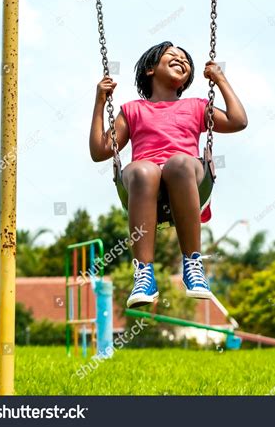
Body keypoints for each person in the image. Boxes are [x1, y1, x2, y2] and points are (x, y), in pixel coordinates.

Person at [89, 41, 247, 308]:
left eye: (185, 60)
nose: (181, 60)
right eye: (172, 56)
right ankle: (144, 273)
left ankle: (193, 265)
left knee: (179, 164)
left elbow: (238, 120)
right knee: (142, 169)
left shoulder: (197, 106)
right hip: (144, 183)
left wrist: (220, 79)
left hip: (188, 176)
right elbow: (100, 151)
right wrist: (99, 101)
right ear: (151, 69)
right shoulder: (132, 110)